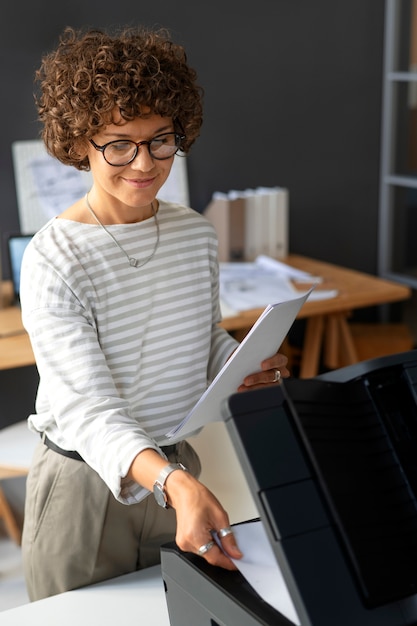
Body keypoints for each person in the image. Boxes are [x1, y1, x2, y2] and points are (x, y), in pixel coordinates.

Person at [19, 25, 289, 601]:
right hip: (87, 485)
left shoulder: (193, 233)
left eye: (160, 140)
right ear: (80, 143)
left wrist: (241, 363)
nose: (143, 163)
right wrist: (171, 482)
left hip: (178, 464)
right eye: (119, 144)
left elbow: (199, 335)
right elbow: (86, 408)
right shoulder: (55, 255)